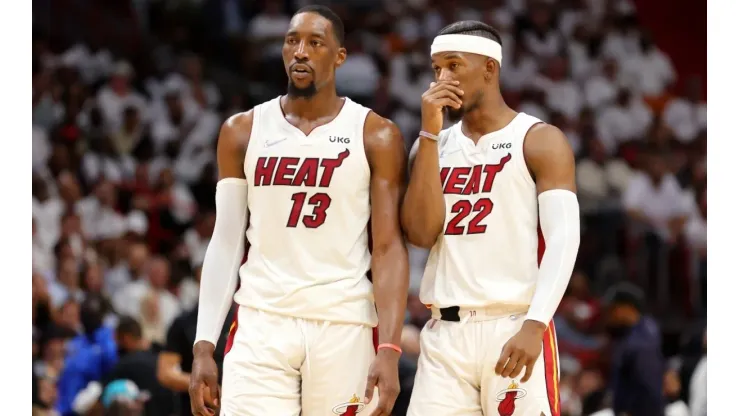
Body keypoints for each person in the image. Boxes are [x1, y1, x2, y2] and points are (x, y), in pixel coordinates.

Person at [189, 5, 409, 416]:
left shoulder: (376, 133)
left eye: (315, 42)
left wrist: (390, 347)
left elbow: (388, 247)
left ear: (339, 56)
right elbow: (225, 241)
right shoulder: (242, 130)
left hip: (343, 322)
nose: (301, 51)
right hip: (262, 319)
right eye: (292, 41)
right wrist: (205, 345)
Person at [402, 21, 581, 416]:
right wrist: (430, 136)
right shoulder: (428, 147)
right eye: (435, 70)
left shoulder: (538, 139)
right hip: (444, 335)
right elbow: (418, 233)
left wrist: (535, 324)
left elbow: (564, 239)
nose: (441, 79)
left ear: (489, 67)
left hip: (513, 323)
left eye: (452, 65)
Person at [604, 283, 665, 416]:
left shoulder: (643, 337)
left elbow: (649, 387)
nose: (609, 315)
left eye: (613, 309)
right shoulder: (631, 333)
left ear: (627, 308)